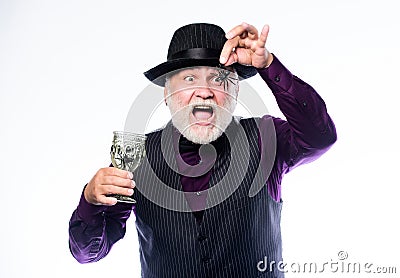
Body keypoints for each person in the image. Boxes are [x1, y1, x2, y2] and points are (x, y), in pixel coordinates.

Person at [69, 22, 337, 277]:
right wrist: (90, 201)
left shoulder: (265, 138)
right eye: (189, 78)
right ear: (166, 94)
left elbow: (319, 136)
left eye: (218, 79)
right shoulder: (135, 157)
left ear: (235, 92)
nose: (204, 92)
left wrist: (268, 65)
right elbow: (89, 253)